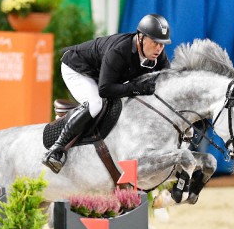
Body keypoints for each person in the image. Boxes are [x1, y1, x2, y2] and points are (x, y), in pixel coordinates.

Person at [42, 13, 172, 173]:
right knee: (96, 103)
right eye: (155, 42)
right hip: (77, 69)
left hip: (101, 75)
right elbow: (105, 90)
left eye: (162, 44)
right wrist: (135, 87)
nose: (159, 48)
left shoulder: (158, 56)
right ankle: (56, 150)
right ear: (141, 37)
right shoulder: (119, 51)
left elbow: (168, 81)